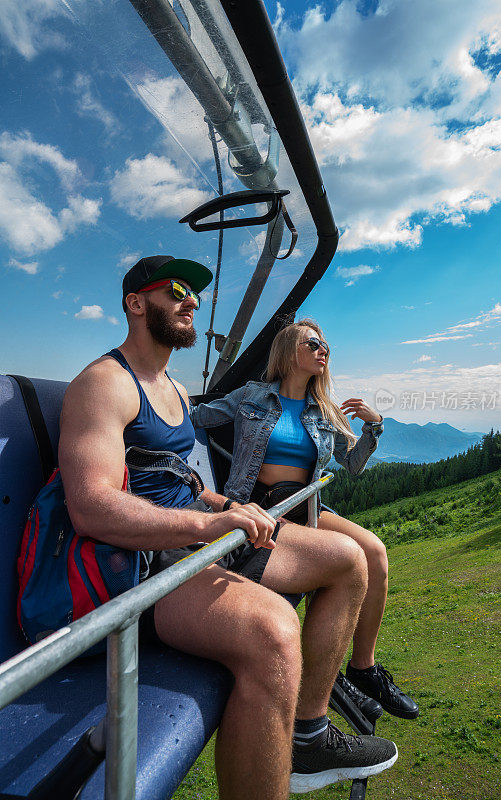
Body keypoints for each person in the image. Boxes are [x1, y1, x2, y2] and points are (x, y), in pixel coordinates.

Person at [58, 256, 398, 800]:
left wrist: (226, 507)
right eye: (176, 291)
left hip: (198, 537)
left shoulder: (169, 388)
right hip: (149, 566)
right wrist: (212, 521)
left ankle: (307, 735)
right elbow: (92, 508)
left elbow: (179, 480)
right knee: (273, 632)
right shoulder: (104, 385)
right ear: (136, 304)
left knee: (350, 559)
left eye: (194, 294)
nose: (191, 301)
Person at [191, 319, 419, 722]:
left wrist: (374, 426)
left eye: (325, 345)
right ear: (288, 351)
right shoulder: (251, 397)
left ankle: (363, 668)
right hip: (261, 507)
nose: (322, 350)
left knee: (377, 554)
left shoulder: (324, 409)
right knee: (344, 560)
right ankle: (321, 685)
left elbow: (353, 464)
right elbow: (197, 418)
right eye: (312, 343)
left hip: (307, 507)